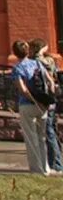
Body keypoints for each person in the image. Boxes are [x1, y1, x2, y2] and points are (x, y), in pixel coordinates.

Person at [11, 40, 50, 174]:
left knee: (31, 138)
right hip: (43, 105)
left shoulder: (17, 68)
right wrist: (45, 100)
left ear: (15, 53)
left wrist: (34, 100)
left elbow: (23, 89)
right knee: (42, 137)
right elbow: (49, 81)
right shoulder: (37, 63)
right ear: (28, 51)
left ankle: (36, 169)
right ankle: (46, 168)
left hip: (27, 105)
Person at [30, 38, 62, 172]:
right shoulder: (47, 60)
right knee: (51, 129)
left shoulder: (39, 61)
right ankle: (54, 160)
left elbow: (46, 74)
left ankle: (56, 163)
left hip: (45, 97)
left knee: (48, 130)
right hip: (49, 97)